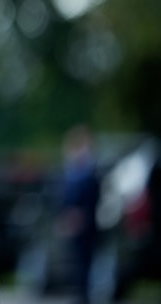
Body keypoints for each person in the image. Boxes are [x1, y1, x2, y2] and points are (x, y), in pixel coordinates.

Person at [59, 125, 100, 304]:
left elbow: (93, 197)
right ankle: (79, 293)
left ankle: (83, 295)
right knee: (76, 261)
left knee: (85, 260)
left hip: (86, 221)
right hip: (74, 221)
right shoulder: (73, 171)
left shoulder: (88, 171)